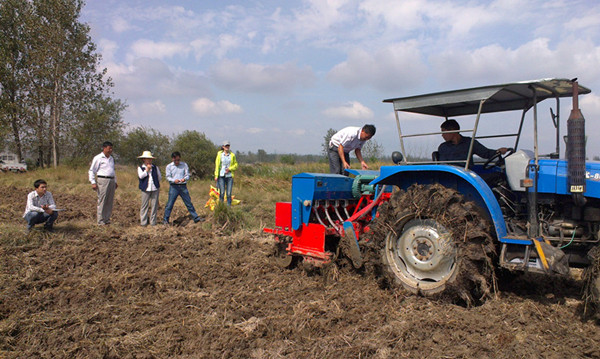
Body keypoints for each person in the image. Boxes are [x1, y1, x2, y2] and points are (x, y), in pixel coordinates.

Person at [438, 119, 508, 166]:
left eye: (444, 132)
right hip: (454, 176)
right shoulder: (443, 147)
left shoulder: (469, 142)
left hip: (468, 172)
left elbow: (485, 153)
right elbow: (444, 166)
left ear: (453, 130)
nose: (442, 135)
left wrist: (498, 152)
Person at [163, 151, 204, 225]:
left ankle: (196, 218)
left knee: (188, 203)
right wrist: (173, 180)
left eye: (178, 160)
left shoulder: (184, 165)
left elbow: (187, 175)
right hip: (174, 186)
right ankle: (165, 220)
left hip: (183, 186)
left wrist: (184, 179)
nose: (177, 162)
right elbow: (168, 177)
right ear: (172, 159)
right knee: (170, 204)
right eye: (175, 160)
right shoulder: (169, 166)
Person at [89, 141, 117, 225]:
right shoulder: (98, 158)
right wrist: (93, 182)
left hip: (111, 180)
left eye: (111, 148)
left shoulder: (111, 158)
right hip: (102, 180)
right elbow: (92, 170)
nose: (110, 150)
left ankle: (107, 219)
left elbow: (113, 171)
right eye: (109, 148)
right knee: (102, 200)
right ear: (104, 148)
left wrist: (115, 181)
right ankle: (100, 221)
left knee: (109, 201)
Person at [137, 151, 161, 226]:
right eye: (147, 159)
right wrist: (147, 170)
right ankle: (143, 222)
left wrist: (156, 183)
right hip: (145, 189)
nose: (149, 160)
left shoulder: (155, 168)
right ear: (143, 159)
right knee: (144, 205)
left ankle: (153, 222)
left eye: (150, 159)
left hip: (154, 188)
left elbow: (159, 177)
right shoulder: (140, 168)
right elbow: (141, 176)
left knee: (154, 206)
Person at [214, 140, 238, 206]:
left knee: (229, 193)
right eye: (226, 146)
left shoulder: (232, 155)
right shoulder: (219, 154)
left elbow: (236, 165)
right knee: (221, 192)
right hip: (221, 175)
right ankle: (221, 207)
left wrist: (230, 169)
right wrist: (216, 175)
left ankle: (228, 208)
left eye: (228, 145)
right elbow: (217, 165)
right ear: (223, 147)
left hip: (229, 176)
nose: (227, 147)